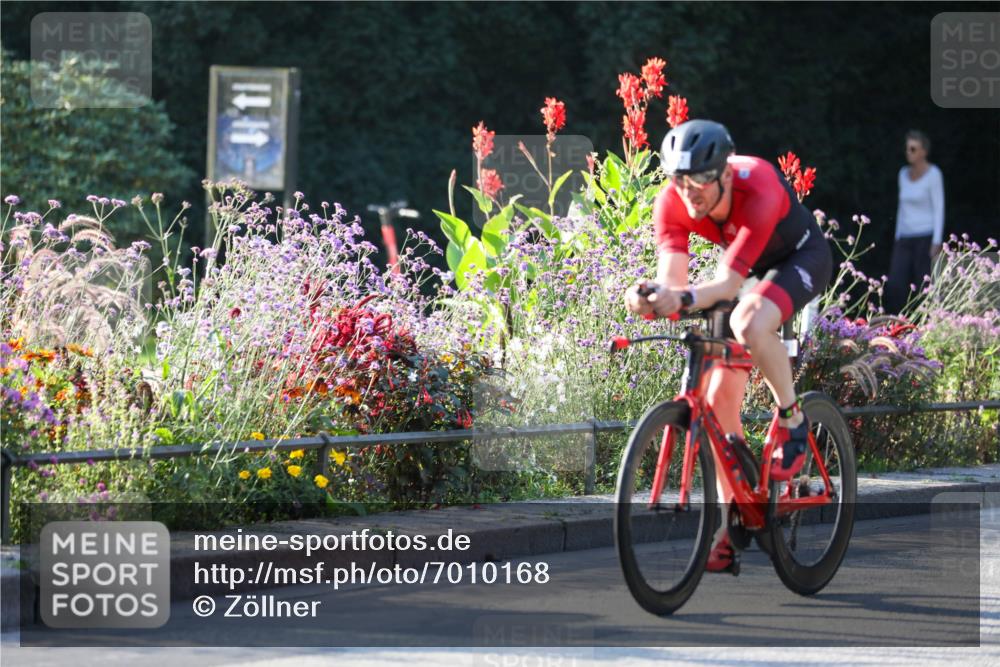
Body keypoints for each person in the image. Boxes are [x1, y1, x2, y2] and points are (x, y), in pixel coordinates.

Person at [624, 119, 833, 572]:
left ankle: (793, 419)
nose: (689, 192)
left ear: (723, 175)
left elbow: (728, 284)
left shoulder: (755, 185)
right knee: (718, 404)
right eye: (679, 180)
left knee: (749, 320)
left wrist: (680, 297)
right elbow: (675, 283)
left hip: (797, 258)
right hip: (740, 275)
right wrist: (650, 298)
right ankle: (734, 518)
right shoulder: (672, 203)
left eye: (699, 179)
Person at [885, 130, 945, 314]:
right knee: (895, 283)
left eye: (913, 149)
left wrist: (937, 241)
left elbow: (939, 208)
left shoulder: (934, 174)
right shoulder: (902, 174)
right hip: (905, 236)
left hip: (925, 236)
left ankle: (926, 324)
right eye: (907, 148)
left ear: (923, 152)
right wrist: (897, 236)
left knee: (924, 284)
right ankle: (895, 322)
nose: (908, 152)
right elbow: (901, 208)